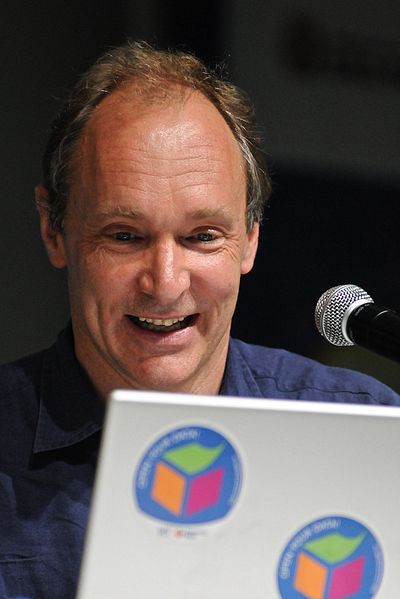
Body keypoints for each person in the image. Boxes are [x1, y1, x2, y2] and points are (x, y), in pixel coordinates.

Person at [0, 41, 398, 599]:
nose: (165, 282)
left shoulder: (370, 432)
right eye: (124, 236)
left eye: (202, 237)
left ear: (250, 237)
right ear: (53, 229)